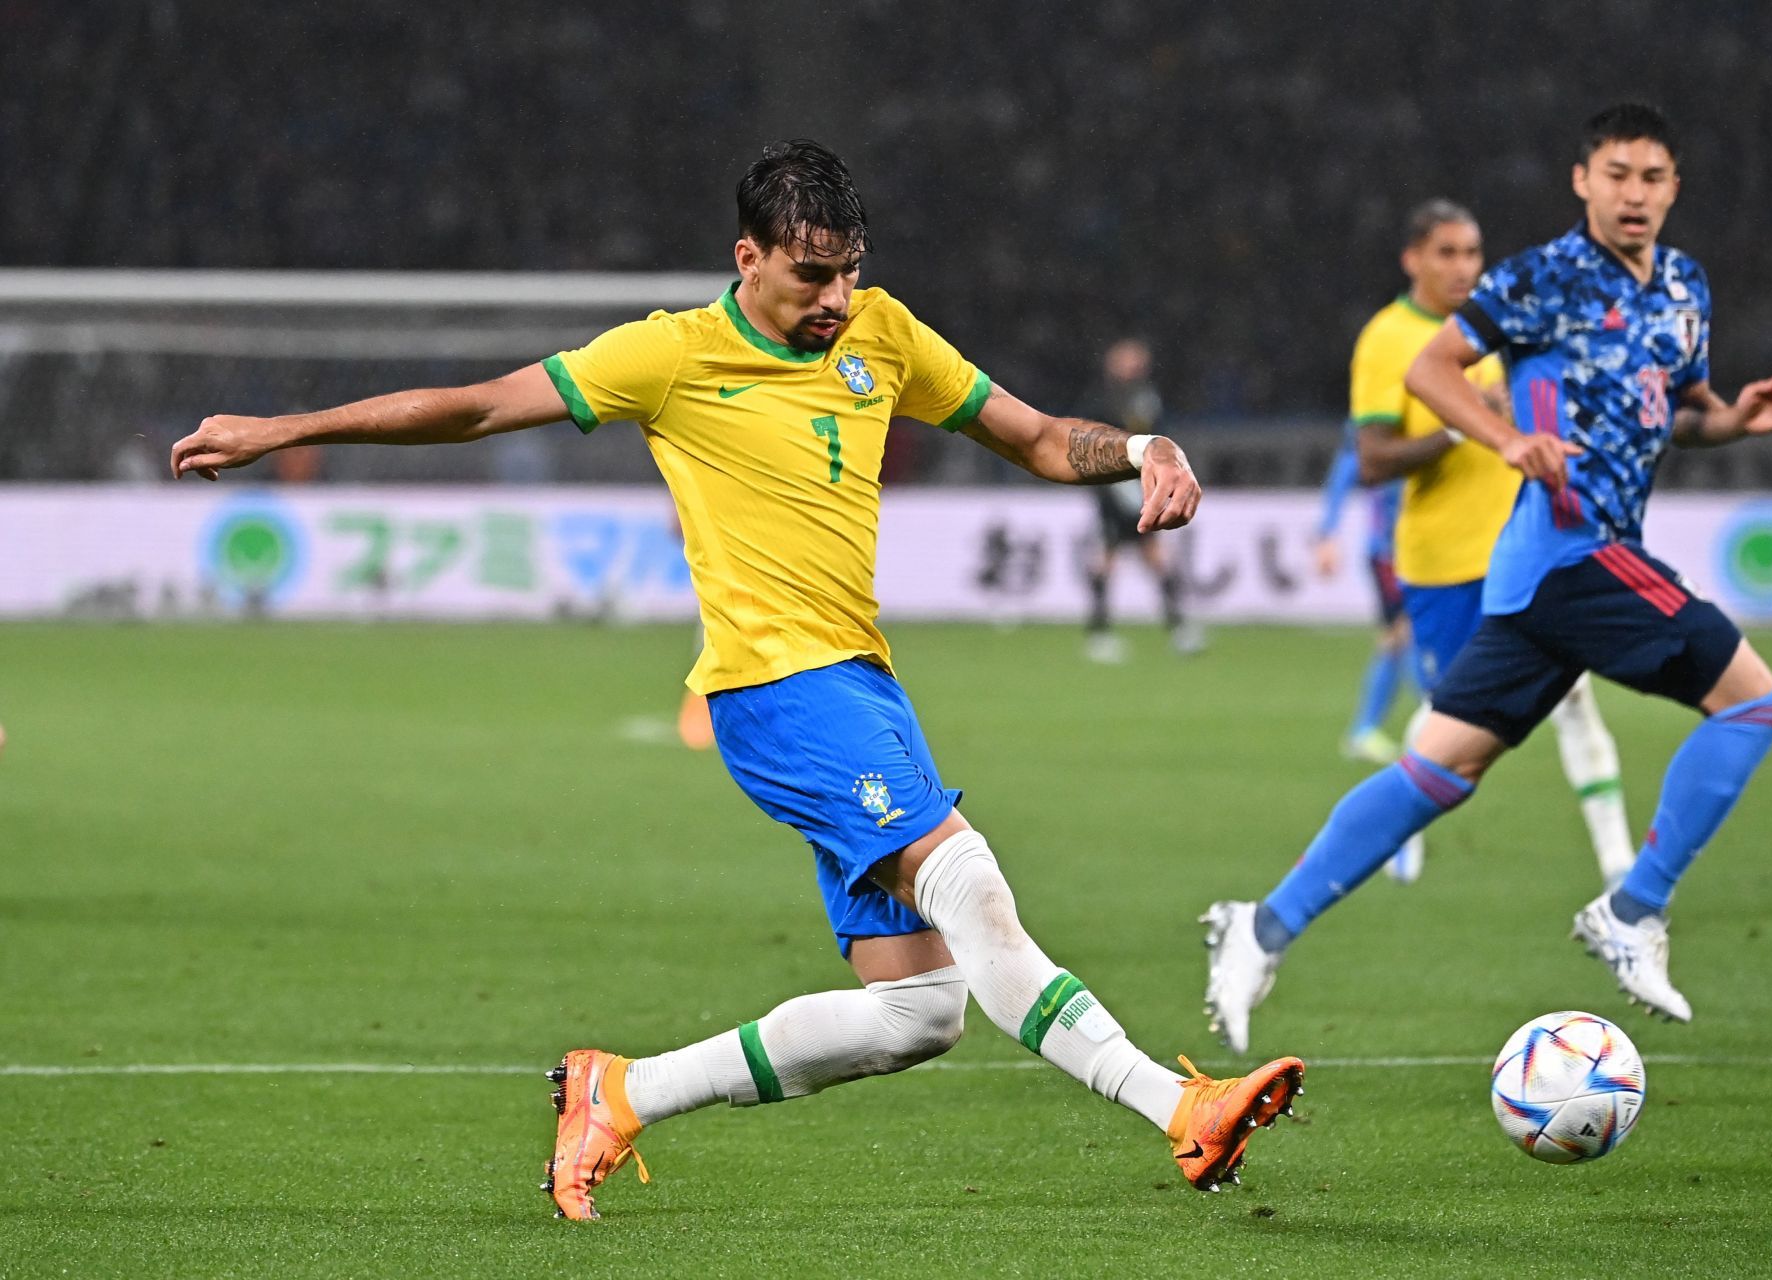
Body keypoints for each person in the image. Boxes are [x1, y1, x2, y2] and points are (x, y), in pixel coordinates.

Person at [171, 140, 1305, 1220]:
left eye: (851, 273)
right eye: (813, 275)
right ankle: (1178, 1103)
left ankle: (621, 1093)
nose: (837, 298)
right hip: (773, 689)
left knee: (919, 1010)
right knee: (971, 882)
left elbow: (1046, 438)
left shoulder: (885, 336)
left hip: (862, 684)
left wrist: (1141, 451)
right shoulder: (665, 355)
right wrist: (285, 428)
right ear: (747, 258)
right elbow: (475, 407)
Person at [1202, 104, 1772, 1051]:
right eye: (1615, 174)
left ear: (1674, 186)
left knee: (1438, 770)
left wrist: (1733, 422)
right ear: (1582, 180)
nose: (1633, 193)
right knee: (1755, 704)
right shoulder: (1540, 278)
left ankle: (1259, 927)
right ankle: (1633, 910)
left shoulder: (1685, 288)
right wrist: (1509, 438)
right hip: (1574, 552)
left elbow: (1679, 411)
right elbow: (1437, 371)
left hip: (1537, 581)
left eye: (1651, 177)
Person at [1344, 199, 1637, 887]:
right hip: (1441, 561)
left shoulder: (1494, 328)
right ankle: (1396, 827)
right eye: (1446, 253)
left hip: (1525, 550)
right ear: (1412, 259)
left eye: (1472, 253)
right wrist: (1459, 423)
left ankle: (1622, 865)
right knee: (1451, 716)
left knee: (1574, 696)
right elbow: (1371, 460)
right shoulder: (1388, 339)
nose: (1462, 267)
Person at [1081, 339, 1204, 662]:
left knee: (1155, 557)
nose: (1135, 365)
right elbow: (1092, 440)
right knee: (1107, 558)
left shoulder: (1146, 395)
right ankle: (1099, 634)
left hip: (1139, 486)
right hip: (1112, 487)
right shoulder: (1102, 398)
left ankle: (1179, 628)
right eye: (1128, 359)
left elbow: (1158, 432)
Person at [1311, 412, 1412, 765]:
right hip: (1390, 552)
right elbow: (1345, 470)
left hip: (1431, 547)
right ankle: (1366, 729)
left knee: (1409, 635)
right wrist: (1326, 533)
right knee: (1401, 634)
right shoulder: (1376, 411)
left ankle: (1372, 729)